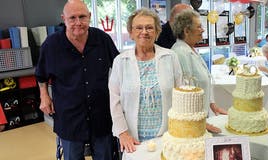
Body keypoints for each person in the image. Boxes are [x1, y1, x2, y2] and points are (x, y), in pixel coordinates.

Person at [35, 0, 119, 159]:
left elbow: (120, 68)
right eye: (72, 18)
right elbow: (41, 75)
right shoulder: (52, 45)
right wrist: (44, 96)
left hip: (102, 114)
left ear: (90, 16)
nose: (78, 22)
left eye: (82, 17)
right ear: (63, 18)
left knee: (105, 156)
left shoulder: (102, 39)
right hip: (69, 116)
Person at [108, 8, 182, 153]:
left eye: (149, 27)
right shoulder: (121, 61)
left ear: (157, 32)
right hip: (133, 141)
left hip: (167, 137)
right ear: (131, 32)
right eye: (139, 28)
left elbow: (181, 93)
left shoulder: (170, 57)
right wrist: (122, 133)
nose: (144, 32)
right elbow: (114, 101)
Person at [171, 9, 227, 133]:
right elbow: (187, 92)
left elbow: (203, 81)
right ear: (186, 31)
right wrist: (200, 122)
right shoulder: (180, 53)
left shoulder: (190, 49)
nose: (203, 30)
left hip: (201, 117)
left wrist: (213, 105)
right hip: (192, 122)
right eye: (199, 26)